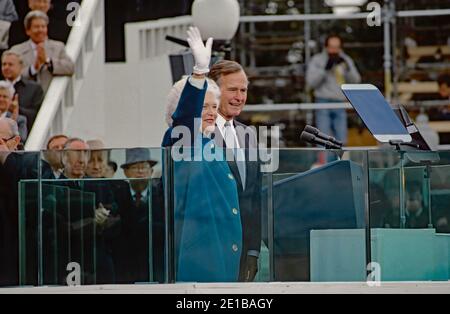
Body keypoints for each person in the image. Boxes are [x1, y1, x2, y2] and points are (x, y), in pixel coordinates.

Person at [163, 27, 243, 283]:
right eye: (203, 106)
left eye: (213, 106)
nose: (210, 112)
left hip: (223, 248)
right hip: (198, 253)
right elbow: (185, 118)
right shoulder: (179, 140)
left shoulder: (210, 143)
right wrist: (199, 73)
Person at [209, 60, 262, 282]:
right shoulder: (199, 133)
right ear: (213, 91)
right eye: (232, 89)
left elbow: (255, 199)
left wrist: (253, 252)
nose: (239, 97)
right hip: (209, 252)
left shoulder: (248, 134)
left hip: (243, 254)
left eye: (243, 90)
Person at [112, 148, 164, 284]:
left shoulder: (162, 196)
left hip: (154, 265)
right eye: (135, 167)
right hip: (124, 267)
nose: (140, 171)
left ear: (151, 171)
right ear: (126, 172)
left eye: (144, 167)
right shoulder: (116, 195)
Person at [306, 34, 361, 146]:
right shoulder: (317, 60)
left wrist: (347, 68)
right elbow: (311, 83)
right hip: (323, 102)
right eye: (332, 47)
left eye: (337, 47)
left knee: (341, 139)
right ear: (326, 47)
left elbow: (356, 80)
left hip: (340, 103)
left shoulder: (345, 60)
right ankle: (325, 163)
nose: (334, 50)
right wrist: (324, 70)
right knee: (322, 139)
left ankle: (340, 162)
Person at [10, 10, 75, 93]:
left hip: (50, 95)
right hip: (24, 98)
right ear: (28, 31)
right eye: (36, 27)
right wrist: (33, 69)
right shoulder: (16, 50)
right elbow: (11, 74)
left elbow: (70, 67)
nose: (40, 30)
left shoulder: (58, 47)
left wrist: (47, 61)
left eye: (43, 26)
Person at [1, 50, 44, 131]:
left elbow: (37, 115)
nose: (6, 67)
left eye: (10, 64)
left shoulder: (33, 88)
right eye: (4, 64)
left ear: (21, 66)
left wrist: (17, 109)